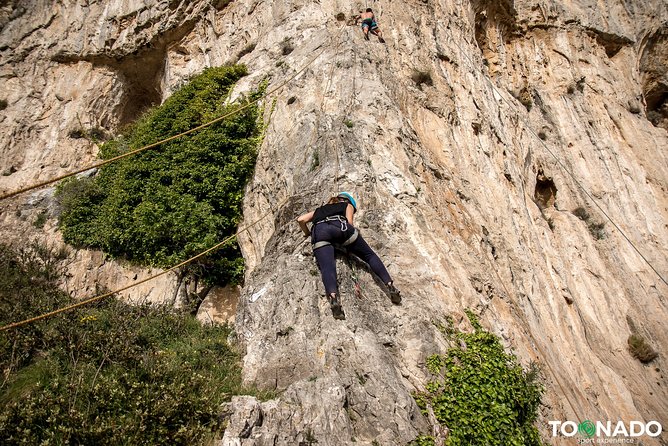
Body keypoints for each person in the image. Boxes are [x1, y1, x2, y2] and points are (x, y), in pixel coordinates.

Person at [297, 192, 400, 320]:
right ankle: (390, 285)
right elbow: (349, 223)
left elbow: (301, 220)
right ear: (348, 201)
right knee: (369, 255)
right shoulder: (347, 205)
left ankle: (334, 299)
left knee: (327, 267)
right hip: (341, 228)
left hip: (320, 232)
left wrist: (307, 233)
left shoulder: (319, 210)